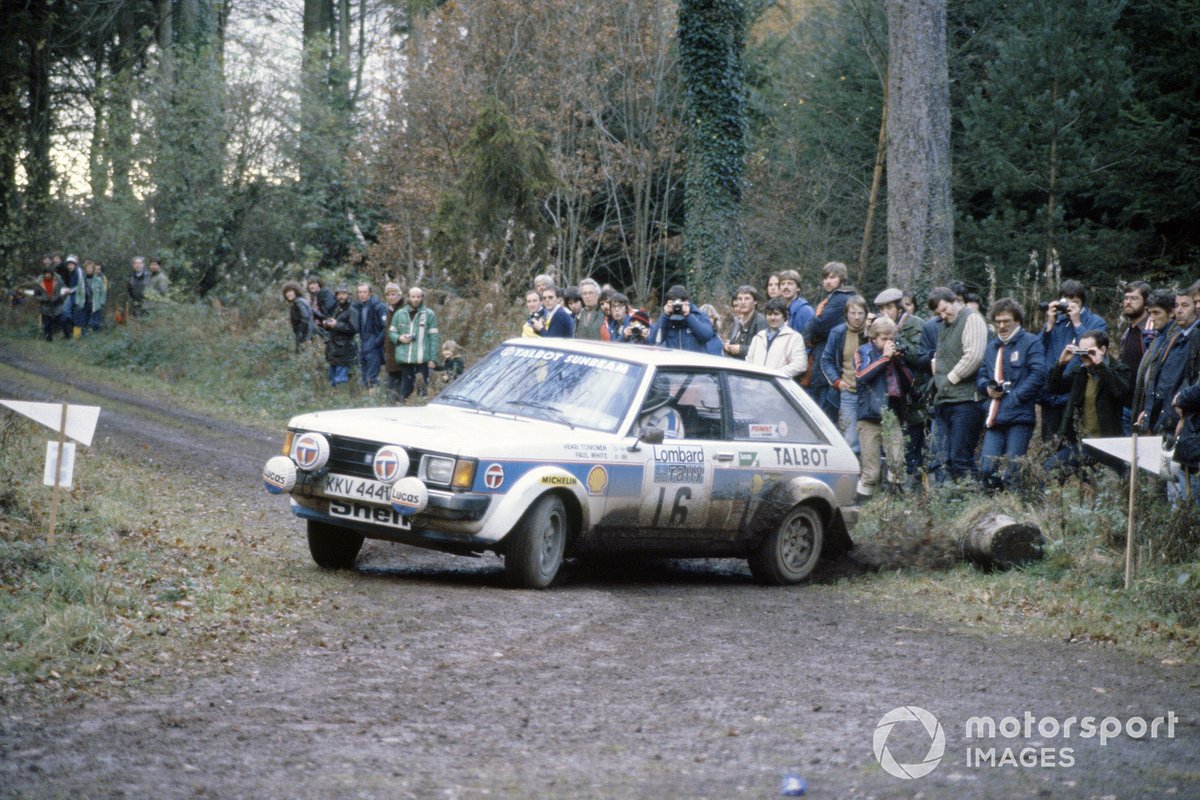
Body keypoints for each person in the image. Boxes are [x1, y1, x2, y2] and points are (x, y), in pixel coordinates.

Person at [975, 299, 1046, 491]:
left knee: (1014, 471)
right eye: (998, 321)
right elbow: (981, 375)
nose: (1001, 326)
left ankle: (1017, 510)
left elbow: (1039, 374)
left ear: (1017, 321)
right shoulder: (991, 347)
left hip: (1019, 417)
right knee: (987, 469)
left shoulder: (1031, 342)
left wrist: (1016, 397)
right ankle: (990, 512)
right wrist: (987, 388)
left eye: (1006, 321)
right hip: (995, 416)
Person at [1044, 331, 1131, 477]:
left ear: (1102, 350)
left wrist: (1101, 366)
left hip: (1110, 443)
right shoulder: (1081, 372)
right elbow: (1053, 388)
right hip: (1083, 443)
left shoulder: (1119, 369)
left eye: (1088, 351)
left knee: (1118, 482)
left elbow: (1120, 391)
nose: (1084, 356)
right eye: (1081, 351)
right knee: (1050, 468)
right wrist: (1061, 364)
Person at [927, 286, 987, 482]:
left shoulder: (972, 318)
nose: (943, 316)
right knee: (940, 458)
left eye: (945, 310)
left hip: (966, 400)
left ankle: (973, 501)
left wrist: (949, 379)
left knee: (961, 458)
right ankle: (949, 502)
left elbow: (974, 356)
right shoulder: (945, 325)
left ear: (955, 301)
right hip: (944, 400)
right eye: (938, 313)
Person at [1038, 279, 1108, 442]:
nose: (1069, 306)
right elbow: (1038, 350)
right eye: (1066, 301)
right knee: (1050, 443)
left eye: (1074, 302)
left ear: (1082, 302)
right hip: (1051, 391)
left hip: (1078, 390)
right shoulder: (1056, 321)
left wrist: (1077, 323)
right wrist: (1049, 324)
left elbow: (1095, 349)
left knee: (1075, 442)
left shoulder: (1095, 321)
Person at [854, 316, 913, 499]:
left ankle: (893, 504)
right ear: (873, 338)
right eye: (884, 339)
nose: (889, 343)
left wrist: (899, 361)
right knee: (871, 472)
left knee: (897, 462)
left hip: (892, 415)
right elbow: (861, 375)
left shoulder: (895, 356)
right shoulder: (863, 351)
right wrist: (884, 358)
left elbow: (910, 383)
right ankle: (862, 506)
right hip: (869, 417)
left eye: (892, 339)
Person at [875, 287, 927, 480]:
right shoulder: (880, 327)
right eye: (881, 309)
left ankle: (915, 485)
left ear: (899, 307)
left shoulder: (915, 324)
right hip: (890, 392)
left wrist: (898, 342)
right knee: (892, 443)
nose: (885, 313)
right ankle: (893, 485)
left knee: (915, 441)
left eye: (889, 307)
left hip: (913, 391)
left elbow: (919, 356)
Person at [1136, 287, 1198, 436]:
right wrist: (1149, 412)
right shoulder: (1175, 338)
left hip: (1180, 418)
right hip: (1165, 418)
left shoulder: (1193, 339)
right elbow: (1161, 382)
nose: (1179, 310)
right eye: (1177, 305)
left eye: (1185, 305)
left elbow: (1184, 383)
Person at [806, 261, 856, 417]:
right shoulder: (834, 298)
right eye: (825, 278)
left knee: (823, 412)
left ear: (841, 278)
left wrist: (813, 329)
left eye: (832, 277)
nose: (827, 281)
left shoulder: (841, 299)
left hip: (831, 359)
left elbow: (817, 326)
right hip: (826, 356)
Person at [820, 295, 869, 454]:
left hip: (869, 392)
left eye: (860, 313)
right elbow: (826, 359)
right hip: (848, 392)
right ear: (846, 314)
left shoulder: (872, 332)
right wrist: (837, 381)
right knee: (850, 439)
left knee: (871, 436)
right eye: (853, 313)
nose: (856, 317)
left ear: (866, 314)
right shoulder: (838, 333)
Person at [1131, 289, 1177, 431]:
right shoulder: (1158, 336)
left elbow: (1169, 381)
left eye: (1157, 313)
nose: (1151, 318)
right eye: (1150, 313)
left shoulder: (1176, 337)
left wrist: (1151, 411)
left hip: (1162, 412)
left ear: (1171, 313)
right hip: (1148, 406)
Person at [389, 286, 441, 402]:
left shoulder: (429, 314)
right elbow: (392, 332)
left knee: (422, 389)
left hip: (422, 358)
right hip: (405, 358)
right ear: (408, 297)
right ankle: (403, 410)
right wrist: (399, 338)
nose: (416, 299)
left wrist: (433, 358)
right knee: (406, 389)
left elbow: (434, 338)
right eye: (413, 297)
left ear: (422, 298)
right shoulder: (399, 314)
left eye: (418, 297)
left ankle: (422, 411)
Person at [1118, 281, 1153, 433]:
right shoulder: (1127, 332)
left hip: (1143, 407)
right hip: (1126, 404)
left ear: (1146, 304)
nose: (1128, 302)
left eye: (1134, 298)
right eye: (1126, 298)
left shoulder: (1151, 332)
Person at [745, 297, 807, 377]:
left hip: (778, 385)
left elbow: (800, 365)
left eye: (776, 314)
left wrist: (774, 375)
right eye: (769, 314)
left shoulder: (794, 337)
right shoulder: (758, 337)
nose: (772, 318)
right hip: (755, 385)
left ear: (784, 316)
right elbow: (748, 362)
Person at [647, 285, 715, 352]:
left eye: (679, 304)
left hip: (694, 361)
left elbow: (706, 336)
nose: (677, 307)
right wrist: (665, 316)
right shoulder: (667, 319)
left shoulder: (699, 315)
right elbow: (652, 341)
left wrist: (688, 316)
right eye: (674, 304)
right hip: (674, 362)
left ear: (687, 301)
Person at [352, 283, 390, 390]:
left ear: (370, 293)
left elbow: (386, 327)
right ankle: (367, 401)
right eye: (360, 292)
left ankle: (374, 401)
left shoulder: (378, 306)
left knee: (372, 378)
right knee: (364, 377)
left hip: (374, 347)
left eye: (364, 292)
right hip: (363, 345)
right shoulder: (358, 307)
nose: (362, 295)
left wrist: (376, 342)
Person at [321, 286, 357, 387]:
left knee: (340, 381)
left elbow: (353, 328)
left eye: (344, 294)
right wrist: (327, 324)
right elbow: (334, 326)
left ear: (349, 295)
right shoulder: (337, 309)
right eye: (339, 294)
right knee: (332, 380)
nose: (341, 296)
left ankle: (342, 400)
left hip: (345, 350)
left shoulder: (352, 310)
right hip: (333, 350)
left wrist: (336, 325)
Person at [724, 285, 767, 360]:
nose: (743, 302)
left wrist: (740, 349)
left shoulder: (760, 321)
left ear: (755, 301)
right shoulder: (737, 322)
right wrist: (729, 345)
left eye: (747, 298)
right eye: (740, 299)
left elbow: (763, 349)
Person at [381, 283, 406, 401]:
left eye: (393, 294)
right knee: (392, 381)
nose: (391, 297)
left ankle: (401, 405)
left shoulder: (404, 310)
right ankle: (392, 405)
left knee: (402, 382)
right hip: (391, 353)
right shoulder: (390, 310)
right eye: (388, 295)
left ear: (399, 295)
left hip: (402, 352)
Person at [776, 269, 815, 340]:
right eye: (782, 284)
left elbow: (808, 340)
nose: (785, 287)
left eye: (790, 283)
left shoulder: (805, 310)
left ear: (798, 288)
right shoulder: (780, 309)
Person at [31, 263, 66, 341]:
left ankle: (66, 336)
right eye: (46, 273)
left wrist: (61, 295)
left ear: (52, 274)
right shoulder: (38, 283)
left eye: (49, 273)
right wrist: (43, 298)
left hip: (58, 304)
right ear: (43, 274)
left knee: (63, 320)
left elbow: (64, 289)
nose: (47, 275)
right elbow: (35, 296)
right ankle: (48, 339)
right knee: (47, 324)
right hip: (46, 306)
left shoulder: (59, 281)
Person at [282, 280, 315, 352]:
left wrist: (301, 334)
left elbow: (305, 318)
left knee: (301, 355)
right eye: (286, 292)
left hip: (304, 336)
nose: (288, 294)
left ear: (296, 291)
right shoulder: (303, 301)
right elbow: (313, 313)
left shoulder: (298, 302)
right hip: (308, 334)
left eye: (290, 291)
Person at [82, 260, 106, 332]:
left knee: (97, 319)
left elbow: (103, 292)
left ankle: (98, 335)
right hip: (86, 303)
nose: (89, 269)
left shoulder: (99, 279)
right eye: (87, 268)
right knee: (86, 319)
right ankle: (86, 334)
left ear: (93, 269)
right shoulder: (82, 280)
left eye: (91, 268)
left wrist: (102, 302)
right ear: (85, 269)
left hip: (96, 302)